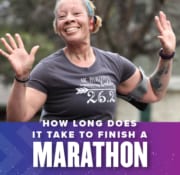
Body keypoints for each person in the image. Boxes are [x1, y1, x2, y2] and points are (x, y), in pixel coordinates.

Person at [0, 0, 176, 121]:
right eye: (61, 16)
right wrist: (21, 77)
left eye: (76, 13)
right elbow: (18, 120)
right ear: (58, 28)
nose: (69, 19)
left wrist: (167, 55)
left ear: (91, 23)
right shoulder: (47, 70)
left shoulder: (114, 63)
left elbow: (153, 92)